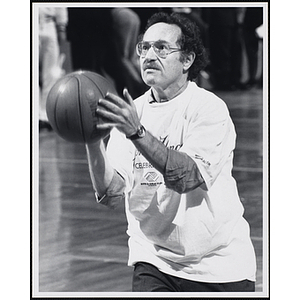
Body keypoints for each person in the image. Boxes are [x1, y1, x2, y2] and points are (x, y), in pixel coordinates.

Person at [85, 12, 256, 292]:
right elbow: (113, 193)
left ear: (187, 60)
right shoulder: (132, 112)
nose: (149, 55)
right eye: (145, 47)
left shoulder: (208, 109)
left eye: (162, 48)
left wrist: (136, 133)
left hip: (217, 264)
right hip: (154, 259)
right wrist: (92, 141)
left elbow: (186, 177)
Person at [39, 7, 68, 130]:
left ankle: (46, 116)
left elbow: (60, 6)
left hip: (49, 24)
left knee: (51, 74)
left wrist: (62, 26)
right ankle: (36, 115)